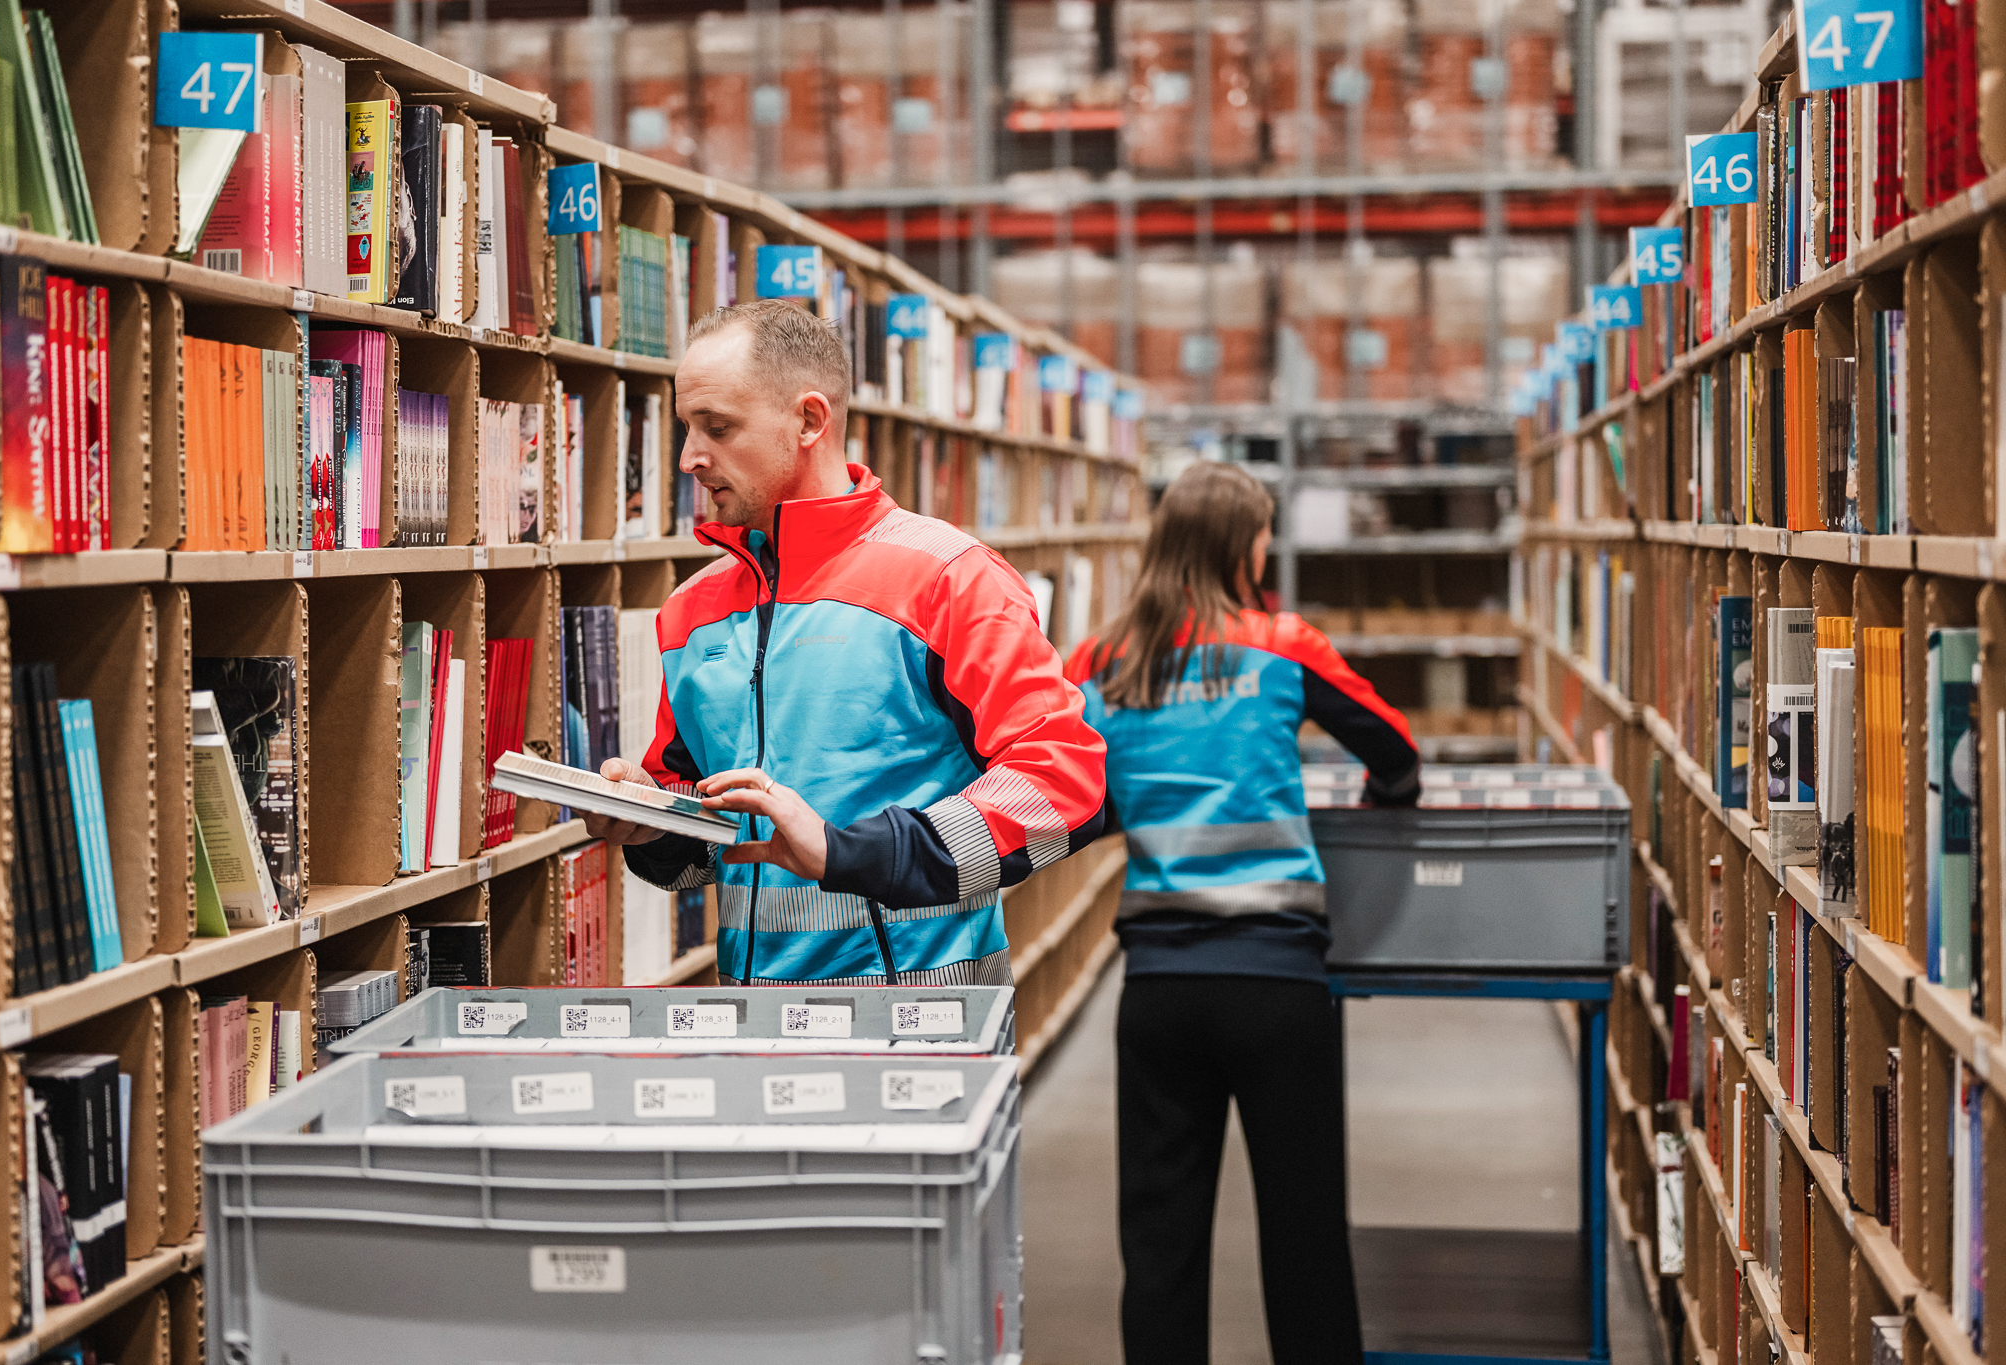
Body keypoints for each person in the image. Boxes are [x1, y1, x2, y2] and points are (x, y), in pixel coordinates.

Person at [583, 299, 1110, 986]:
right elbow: (708, 848)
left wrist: (848, 850)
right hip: (757, 1034)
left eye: (717, 427)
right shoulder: (692, 610)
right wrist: (651, 822)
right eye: (686, 427)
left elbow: (1064, 783)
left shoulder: (948, 580)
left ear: (809, 420)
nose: (689, 458)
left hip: (923, 1031)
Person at [1064, 460, 1421, 1365]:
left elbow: (1069, 795)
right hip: (1277, 985)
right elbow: (1396, 749)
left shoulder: (1103, 660)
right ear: (1240, 544)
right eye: (1263, 531)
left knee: (1161, 1249)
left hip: (1159, 990)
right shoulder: (1283, 643)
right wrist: (1383, 794)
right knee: (1304, 1241)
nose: (1268, 545)